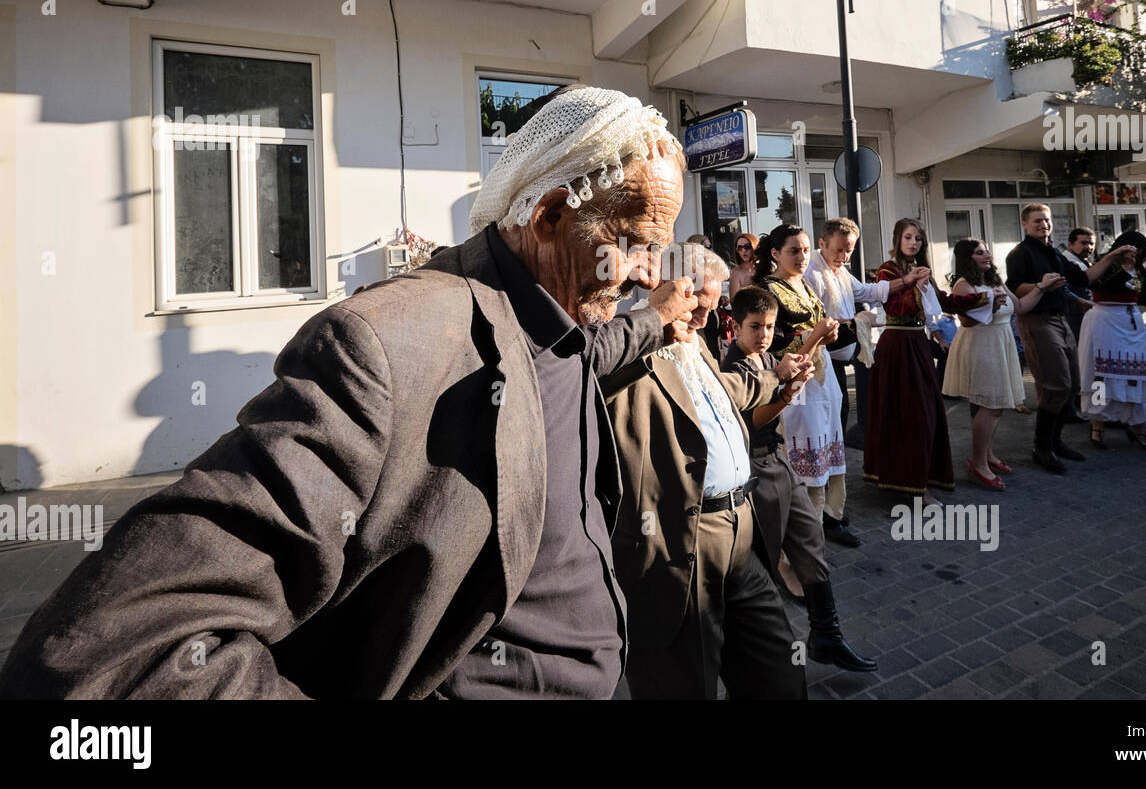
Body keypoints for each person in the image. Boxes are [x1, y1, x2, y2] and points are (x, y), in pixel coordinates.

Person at [0, 85, 701, 700]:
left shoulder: (566, 319)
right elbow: (105, 653)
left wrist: (660, 321)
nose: (642, 272)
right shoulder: (387, 347)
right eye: (633, 243)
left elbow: (590, 354)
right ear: (549, 214)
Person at [601, 243, 807, 699]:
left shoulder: (695, 338)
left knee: (780, 673)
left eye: (712, 309)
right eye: (697, 305)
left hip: (741, 532)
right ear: (671, 289)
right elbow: (593, 374)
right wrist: (653, 321)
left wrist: (779, 377)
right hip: (680, 542)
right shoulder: (628, 337)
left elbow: (721, 390)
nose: (703, 320)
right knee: (684, 681)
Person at [722, 285, 877, 672]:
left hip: (779, 461)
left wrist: (806, 354)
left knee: (810, 541)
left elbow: (786, 370)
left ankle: (827, 634)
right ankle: (758, 661)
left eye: (770, 327)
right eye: (755, 327)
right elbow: (754, 420)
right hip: (754, 471)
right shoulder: (734, 365)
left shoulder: (764, 357)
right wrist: (788, 389)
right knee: (762, 563)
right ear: (735, 326)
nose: (764, 335)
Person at [1005, 203, 1135, 473]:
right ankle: (1042, 448)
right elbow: (1015, 288)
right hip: (1037, 321)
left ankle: (1055, 441)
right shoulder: (1020, 253)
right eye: (1038, 221)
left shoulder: (1053, 252)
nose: (1044, 225)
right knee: (1056, 385)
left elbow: (1084, 278)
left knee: (1072, 385)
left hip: (1059, 319)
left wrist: (1113, 256)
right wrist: (1042, 285)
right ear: (1025, 224)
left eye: (1047, 220)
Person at [863, 219, 987, 503]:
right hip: (897, 346)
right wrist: (914, 286)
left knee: (926, 412)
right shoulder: (888, 270)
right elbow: (894, 306)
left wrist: (983, 299)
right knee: (907, 414)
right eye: (908, 237)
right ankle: (912, 485)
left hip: (918, 344)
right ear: (897, 239)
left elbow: (943, 301)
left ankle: (920, 480)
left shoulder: (922, 271)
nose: (913, 243)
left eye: (918, 238)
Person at [757, 224, 860, 543]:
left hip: (821, 372)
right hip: (797, 379)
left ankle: (832, 515)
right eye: (793, 250)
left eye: (804, 250)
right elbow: (769, 348)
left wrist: (833, 333)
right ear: (775, 254)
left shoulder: (802, 283)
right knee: (806, 448)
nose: (802, 256)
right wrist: (814, 335)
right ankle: (805, 529)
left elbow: (820, 330)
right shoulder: (766, 290)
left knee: (830, 439)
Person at [942, 239, 1061, 490]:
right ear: (967, 258)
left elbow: (1019, 306)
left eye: (986, 250)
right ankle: (977, 463)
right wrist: (988, 305)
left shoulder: (995, 281)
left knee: (998, 405)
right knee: (990, 405)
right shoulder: (963, 285)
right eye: (979, 252)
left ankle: (987, 455)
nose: (986, 255)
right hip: (981, 346)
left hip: (1000, 343)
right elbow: (966, 323)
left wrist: (1042, 287)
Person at [801, 217, 896, 459]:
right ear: (822, 243)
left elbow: (866, 291)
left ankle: (833, 465)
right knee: (825, 414)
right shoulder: (811, 272)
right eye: (839, 250)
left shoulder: (841, 271)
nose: (843, 256)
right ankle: (822, 469)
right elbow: (819, 322)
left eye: (849, 250)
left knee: (839, 410)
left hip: (841, 355)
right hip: (821, 360)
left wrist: (904, 282)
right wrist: (856, 322)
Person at [1077, 231, 1146, 452]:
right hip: (1105, 321)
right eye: (1131, 250)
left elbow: (1138, 296)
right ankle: (1098, 426)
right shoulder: (1105, 264)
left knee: (1139, 374)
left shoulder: (1138, 270)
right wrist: (1124, 268)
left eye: (1140, 252)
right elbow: (1102, 286)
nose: (1135, 256)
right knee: (1102, 374)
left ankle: (1137, 426)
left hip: (1131, 323)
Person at [1060, 227, 1097, 341]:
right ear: (1070, 244)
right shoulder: (1066, 263)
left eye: (1091, 243)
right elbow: (1062, 289)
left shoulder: (1084, 262)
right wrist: (1078, 300)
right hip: (1073, 318)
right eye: (1083, 243)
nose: (1088, 247)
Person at [728, 232, 759, 298]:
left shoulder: (765, 267)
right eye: (739, 248)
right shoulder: (736, 272)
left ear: (754, 246)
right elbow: (734, 301)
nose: (743, 250)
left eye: (747, 246)